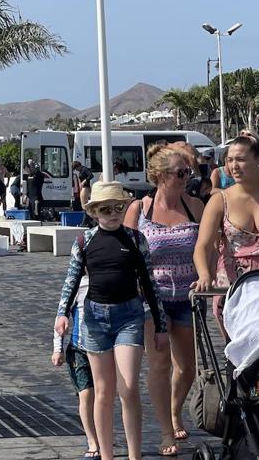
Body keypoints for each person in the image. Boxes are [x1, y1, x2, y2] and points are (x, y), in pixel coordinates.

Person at [192, 132, 259, 447]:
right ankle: (244, 434)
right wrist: (203, 275)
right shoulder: (220, 200)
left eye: (240, 159)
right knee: (243, 366)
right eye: (229, 160)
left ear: (258, 160)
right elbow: (203, 247)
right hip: (234, 296)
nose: (233, 166)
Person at [55, 181, 167, 460]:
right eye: (105, 209)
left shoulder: (135, 239)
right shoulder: (84, 241)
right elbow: (71, 280)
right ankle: (106, 454)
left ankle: (134, 455)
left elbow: (149, 282)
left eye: (118, 207)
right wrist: (62, 314)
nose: (113, 213)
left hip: (129, 316)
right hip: (95, 318)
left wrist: (160, 325)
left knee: (128, 386)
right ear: (94, 212)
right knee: (103, 392)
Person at [124, 144, 202, 456]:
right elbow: (125, 253)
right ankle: (167, 431)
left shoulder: (195, 205)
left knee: (188, 367)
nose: (186, 177)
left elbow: (209, 245)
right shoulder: (139, 210)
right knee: (159, 364)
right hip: (151, 298)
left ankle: (174, 408)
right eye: (180, 173)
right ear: (159, 176)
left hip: (187, 295)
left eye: (188, 172)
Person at [51, 261, 100, 459]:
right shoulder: (76, 285)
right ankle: (92, 441)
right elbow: (60, 319)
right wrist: (58, 349)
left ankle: (102, 436)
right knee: (86, 395)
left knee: (102, 396)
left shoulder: (108, 283)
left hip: (103, 350)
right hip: (78, 350)